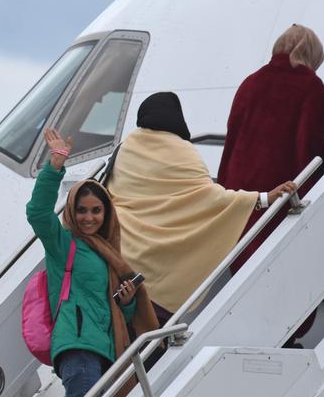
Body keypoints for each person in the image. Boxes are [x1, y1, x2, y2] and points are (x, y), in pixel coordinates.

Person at [27, 129, 159, 397]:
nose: (88, 217)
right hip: (77, 343)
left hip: (101, 348)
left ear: (106, 214)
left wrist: (127, 301)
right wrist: (54, 165)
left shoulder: (107, 254)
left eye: (96, 211)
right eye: (82, 210)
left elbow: (116, 314)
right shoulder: (64, 244)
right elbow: (38, 214)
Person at [109, 92, 296, 324]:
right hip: (163, 268)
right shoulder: (182, 152)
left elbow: (112, 194)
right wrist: (263, 198)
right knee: (151, 334)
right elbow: (211, 198)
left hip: (122, 257)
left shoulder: (126, 149)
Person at [216, 24, 324, 341]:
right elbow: (310, 149)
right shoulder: (310, 86)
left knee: (248, 278)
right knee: (285, 281)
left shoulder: (249, 83)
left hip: (241, 203)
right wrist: (307, 198)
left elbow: (231, 147)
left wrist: (225, 197)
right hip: (281, 201)